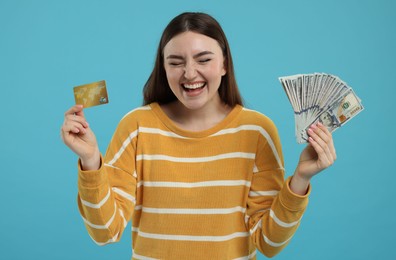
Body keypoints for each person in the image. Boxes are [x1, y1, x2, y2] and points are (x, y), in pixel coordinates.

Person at [61, 12, 336, 259]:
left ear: (225, 64)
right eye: (176, 62)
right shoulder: (136, 126)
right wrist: (90, 162)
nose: (189, 74)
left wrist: (301, 179)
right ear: (164, 68)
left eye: (203, 59)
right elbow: (105, 232)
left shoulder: (258, 132)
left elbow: (268, 244)